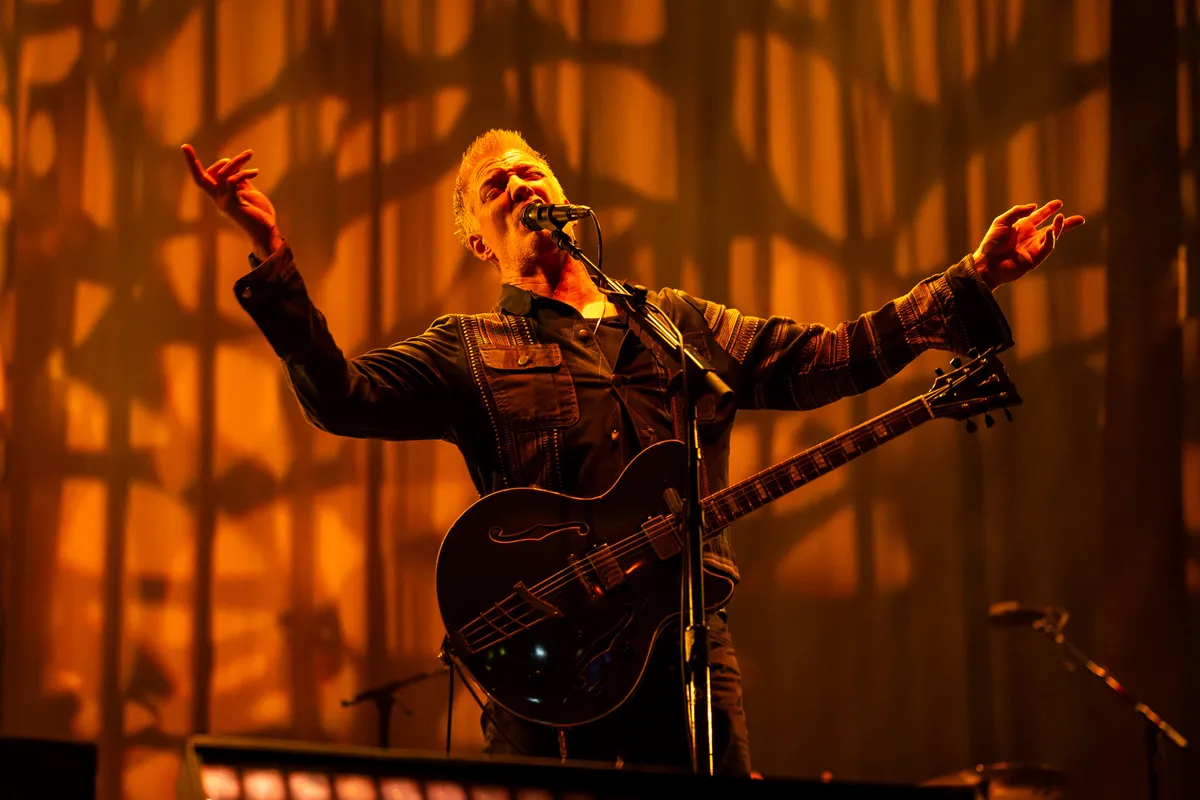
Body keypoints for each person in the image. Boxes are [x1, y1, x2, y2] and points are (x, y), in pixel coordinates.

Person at [182, 130, 1084, 776]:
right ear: (477, 238)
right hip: (547, 653)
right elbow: (341, 397)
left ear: (568, 200)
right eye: (496, 185)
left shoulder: (675, 323)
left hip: (685, 642)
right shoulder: (469, 347)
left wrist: (970, 278)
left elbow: (826, 359)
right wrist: (273, 258)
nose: (519, 184)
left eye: (531, 171)